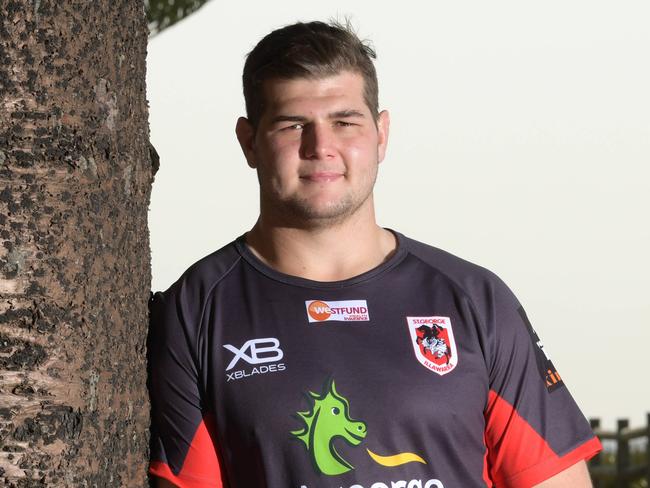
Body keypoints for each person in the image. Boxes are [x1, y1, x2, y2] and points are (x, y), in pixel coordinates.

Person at [148, 20, 602, 488]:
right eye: (292, 125)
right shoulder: (197, 310)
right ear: (249, 142)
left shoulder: (474, 300)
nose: (320, 147)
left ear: (381, 134)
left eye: (344, 122)